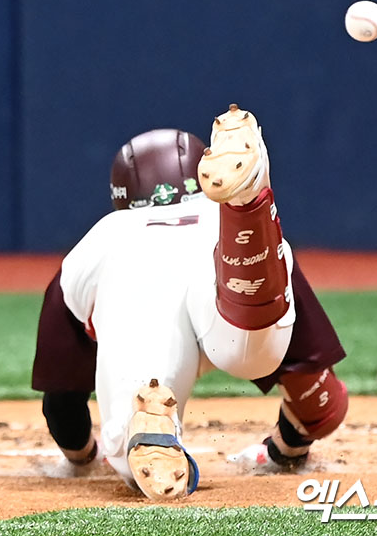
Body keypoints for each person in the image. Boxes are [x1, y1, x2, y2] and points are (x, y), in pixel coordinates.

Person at [32, 106, 348, 499]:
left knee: (135, 441)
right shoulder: (212, 217)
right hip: (229, 285)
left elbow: (62, 403)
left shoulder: (104, 236)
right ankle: (249, 207)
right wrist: (285, 450)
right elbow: (316, 393)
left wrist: (82, 457)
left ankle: (146, 422)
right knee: (252, 339)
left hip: (138, 300)